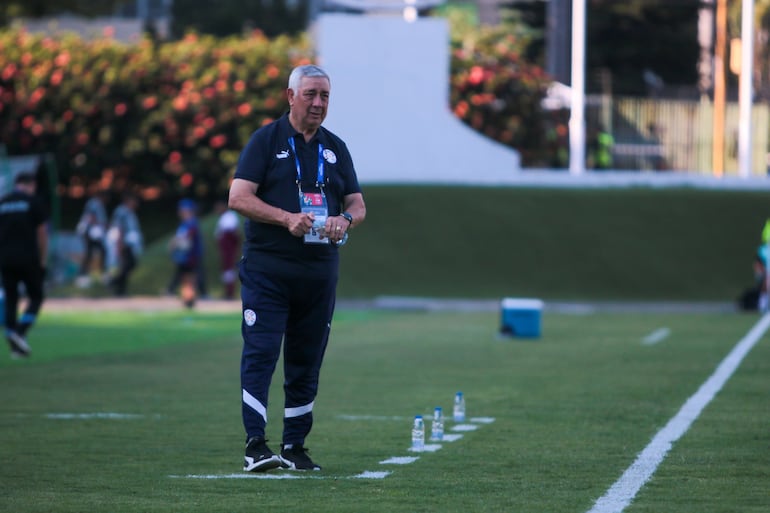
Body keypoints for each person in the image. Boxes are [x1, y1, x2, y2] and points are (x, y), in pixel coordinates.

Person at [228, 64, 366, 472]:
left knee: (307, 359)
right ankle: (255, 445)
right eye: (310, 94)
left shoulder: (336, 148)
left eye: (324, 95)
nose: (319, 103)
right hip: (269, 270)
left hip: (318, 272)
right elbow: (238, 197)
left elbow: (357, 203)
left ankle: (295, 446)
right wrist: (286, 217)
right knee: (262, 353)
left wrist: (347, 220)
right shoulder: (266, 141)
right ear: (291, 96)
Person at [0, 171, 49, 358]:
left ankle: (15, 347)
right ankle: (20, 332)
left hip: (5, 259)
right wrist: (43, 260)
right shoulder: (32, 202)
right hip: (28, 259)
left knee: (11, 299)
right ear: (31, 185)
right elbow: (42, 232)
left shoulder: (3, 203)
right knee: (36, 296)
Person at [166, 199, 203, 308]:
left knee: (189, 278)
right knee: (184, 277)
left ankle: (189, 299)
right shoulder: (185, 223)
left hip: (189, 256)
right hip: (184, 256)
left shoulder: (191, 223)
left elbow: (187, 240)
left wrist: (174, 243)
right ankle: (187, 299)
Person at [107, 193, 143, 297]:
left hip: (130, 243)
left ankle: (119, 288)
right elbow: (119, 228)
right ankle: (115, 283)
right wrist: (119, 244)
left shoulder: (130, 212)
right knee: (128, 265)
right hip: (124, 243)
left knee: (129, 265)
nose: (136, 204)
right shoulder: (121, 211)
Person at [75, 190, 109, 287]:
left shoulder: (98, 205)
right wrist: (100, 225)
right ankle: (82, 276)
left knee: (99, 251)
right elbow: (91, 217)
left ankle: (100, 274)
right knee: (90, 253)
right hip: (90, 232)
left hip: (94, 232)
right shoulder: (94, 203)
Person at [213, 200, 241, 300]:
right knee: (226, 270)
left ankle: (230, 292)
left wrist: (233, 248)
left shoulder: (229, 217)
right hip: (225, 249)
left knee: (229, 270)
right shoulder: (223, 218)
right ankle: (227, 291)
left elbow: (233, 235)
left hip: (229, 249)